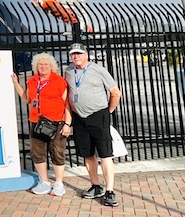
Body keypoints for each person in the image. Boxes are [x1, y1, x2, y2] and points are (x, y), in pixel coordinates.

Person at [65, 42, 122, 207]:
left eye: (79, 54)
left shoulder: (98, 69)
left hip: (98, 115)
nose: (76, 57)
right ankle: (96, 186)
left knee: (105, 154)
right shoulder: (68, 71)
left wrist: (109, 111)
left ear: (86, 55)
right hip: (79, 118)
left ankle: (110, 191)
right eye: (73, 54)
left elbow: (115, 92)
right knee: (87, 154)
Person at [11, 53, 71, 196]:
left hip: (56, 122)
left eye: (46, 65)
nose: (43, 67)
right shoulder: (32, 81)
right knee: (37, 152)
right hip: (37, 122)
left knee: (57, 152)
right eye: (40, 64)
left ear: (51, 67)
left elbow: (66, 103)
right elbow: (27, 99)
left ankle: (59, 183)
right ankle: (44, 181)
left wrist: (67, 124)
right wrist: (15, 83)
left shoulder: (59, 81)